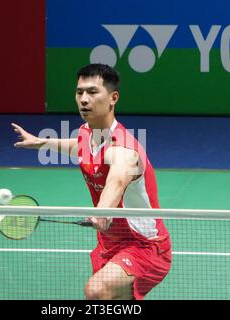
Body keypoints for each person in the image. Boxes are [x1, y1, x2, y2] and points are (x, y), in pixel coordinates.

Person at [11, 63, 171, 300]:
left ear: (113, 97)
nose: (84, 99)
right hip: (110, 241)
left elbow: (116, 180)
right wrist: (41, 142)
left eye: (93, 92)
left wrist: (102, 211)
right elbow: (80, 147)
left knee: (96, 291)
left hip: (145, 247)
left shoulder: (123, 150)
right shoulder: (87, 132)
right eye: (79, 92)